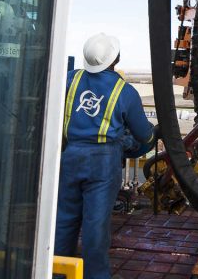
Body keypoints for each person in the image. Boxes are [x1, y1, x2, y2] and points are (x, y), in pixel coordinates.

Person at [55, 33, 157, 279]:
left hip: (70, 156)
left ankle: (57, 272)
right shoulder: (125, 91)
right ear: (116, 58)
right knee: (95, 226)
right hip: (102, 162)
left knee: (64, 220)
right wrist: (153, 138)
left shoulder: (71, 78)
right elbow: (144, 133)